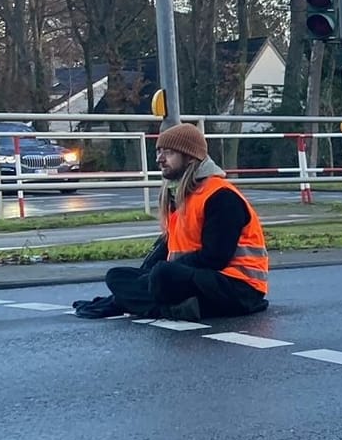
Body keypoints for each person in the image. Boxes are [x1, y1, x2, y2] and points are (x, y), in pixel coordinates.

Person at [72, 124, 269, 322]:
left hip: (239, 287)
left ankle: (148, 305)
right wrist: (134, 284)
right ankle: (168, 305)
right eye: (159, 151)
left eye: (168, 152)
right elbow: (166, 247)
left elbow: (215, 258)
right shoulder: (181, 195)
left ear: (191, 157)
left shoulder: (221, 196)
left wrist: (157, 276)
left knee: (163, 273)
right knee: (116, 276)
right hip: (200, 281)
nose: (159, 159)